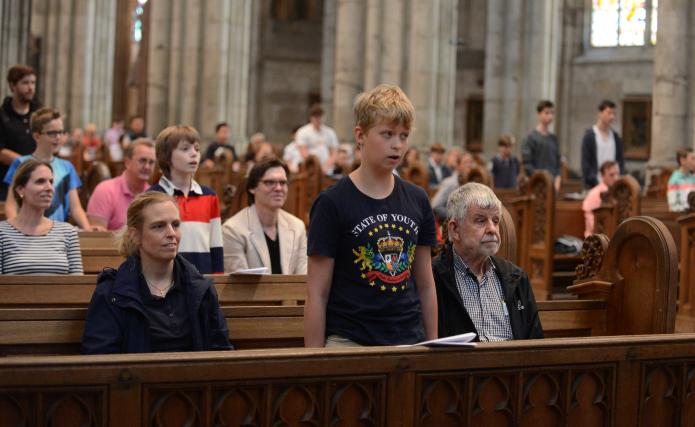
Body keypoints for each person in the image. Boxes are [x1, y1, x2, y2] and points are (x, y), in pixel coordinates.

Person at [304, 84, 438, 347]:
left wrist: (433, 344)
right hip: (351, 340)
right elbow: (316, 293)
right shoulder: (332, 202)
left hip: (409, 339)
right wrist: (314, 363)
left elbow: (425, 284)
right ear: (360, 135)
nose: (397, 145)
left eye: (403, 135)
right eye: (387, 134)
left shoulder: (418, 199)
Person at [81, 191, 233, 354]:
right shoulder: (111, 293)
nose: (171, 234)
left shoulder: (200, 288)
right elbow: (100, 360)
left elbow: (221, 351)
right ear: (135, 235)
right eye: (159, 226)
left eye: (175, 225)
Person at [432, 182, 543, 341]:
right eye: (481, 221)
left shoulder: (516, 277)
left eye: (496, 221)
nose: (492, 229)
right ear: (455, 230)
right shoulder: (433, 278)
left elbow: (536, 344)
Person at [3, 107, 96, 230]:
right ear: (37, 136)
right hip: (27, 230)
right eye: (52, 133)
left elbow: (76, 207)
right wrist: (14, 231)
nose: (58, 137)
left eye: (61, 132)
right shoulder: (21, 163)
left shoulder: (67, 167)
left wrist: (87, 228)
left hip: (56, 234)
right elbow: (11, 204)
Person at [148, 125, 224, 274]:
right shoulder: (153, 197)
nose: (194, 154)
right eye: (185, 149)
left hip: (203, 279)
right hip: (165, 278)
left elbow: (216, 245)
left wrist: (218, 280)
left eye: (197, 149)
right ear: (166, 156)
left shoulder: (209, 196)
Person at [222, 159, 307, 274]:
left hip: (292, 292)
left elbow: (302, 279)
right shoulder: (232, 230)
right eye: (270, 182)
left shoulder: (297, 227)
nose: (278, 188)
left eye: (283, 183)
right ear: (252, 188)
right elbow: (240, 287)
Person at [0, 159, 83, 274]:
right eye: (40, 181)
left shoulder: (68, 232)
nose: (49, 188)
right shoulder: (2, 232)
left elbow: (77, 284)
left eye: (51, 182)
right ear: (20, 190)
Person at [87, 138, 156, 230]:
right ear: (127, 162)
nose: (147, 166)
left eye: (151, 162)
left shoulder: (153, 196)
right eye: (142, 160)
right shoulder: (105, 190)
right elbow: (97, 239)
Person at [0, 64, 41, 200]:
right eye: (25, 83)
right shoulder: (2, 114)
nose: (30, 88)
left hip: (38, 180)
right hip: (8, 182)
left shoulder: (40, 113)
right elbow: (1, 152)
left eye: (33, 83)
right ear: (12, 86)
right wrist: (27, 163)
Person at [581, 100, 625, 190]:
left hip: (613, 186)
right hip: (594, 185)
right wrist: (597, 182)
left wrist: (617, 179)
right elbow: (586, 164)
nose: (612, 117)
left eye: (614, 114)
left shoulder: (615, 137)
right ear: (600, 114)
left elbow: (620, 161)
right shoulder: (590, 136)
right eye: (609, 113)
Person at [521, 100, 561, 191]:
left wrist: (557, 180)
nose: (550, 116)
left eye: (552, 113)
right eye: (546, 113)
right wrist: (541, 178)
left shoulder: (553, 139)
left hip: (552, 185)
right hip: (536, 185)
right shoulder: (530, 138)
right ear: (539, 114)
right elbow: (527, 165)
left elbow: (557, 163)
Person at [582, 161, 620, 237]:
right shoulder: (595, 193)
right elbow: (591, 222)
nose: (616, 178)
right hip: (596, 238)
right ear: (603, 176)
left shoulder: (619, 192)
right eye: (611, 175)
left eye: (617, 174)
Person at [295, 105, 339, 171]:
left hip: (327, 168)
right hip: (309, 166)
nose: (318, 119)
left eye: (320, 116)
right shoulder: (302, 131)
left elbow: (334, 153)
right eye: (316, 117)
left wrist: (326, 166)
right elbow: (303, 151)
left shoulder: (330, 132)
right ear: (311, 118)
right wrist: (316, 166)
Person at [667, 147, 695, 212]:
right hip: (684, 218)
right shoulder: (675, 179)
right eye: (693, 159)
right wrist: (688, 209)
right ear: (683, 160)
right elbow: (672, 207)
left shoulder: (693, 178)